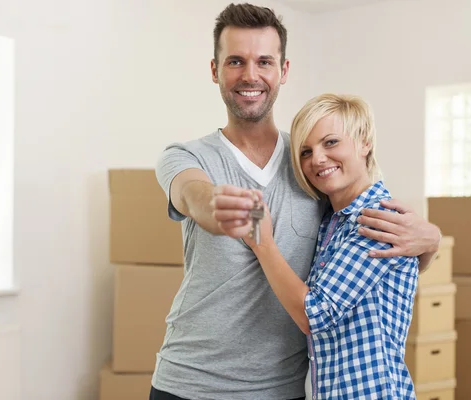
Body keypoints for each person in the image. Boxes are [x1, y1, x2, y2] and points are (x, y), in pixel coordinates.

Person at [151, 3, 439, 400]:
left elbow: (362, 258)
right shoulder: (187, 156)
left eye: (264, 61)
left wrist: (431, 241)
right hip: (189, 385)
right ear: (215, 70)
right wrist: (213, 204)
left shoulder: (312, 168)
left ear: (283, 71)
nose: (250, 75)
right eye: (235, 61)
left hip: (283, 391)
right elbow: (190, 193)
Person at [242, 93, 418, 399]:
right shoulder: (331, 223)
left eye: (331, 142)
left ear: (365, 143)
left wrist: (262, 243)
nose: (318, 159)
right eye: (306, 152)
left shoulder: (379, 221)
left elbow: (315, 314)